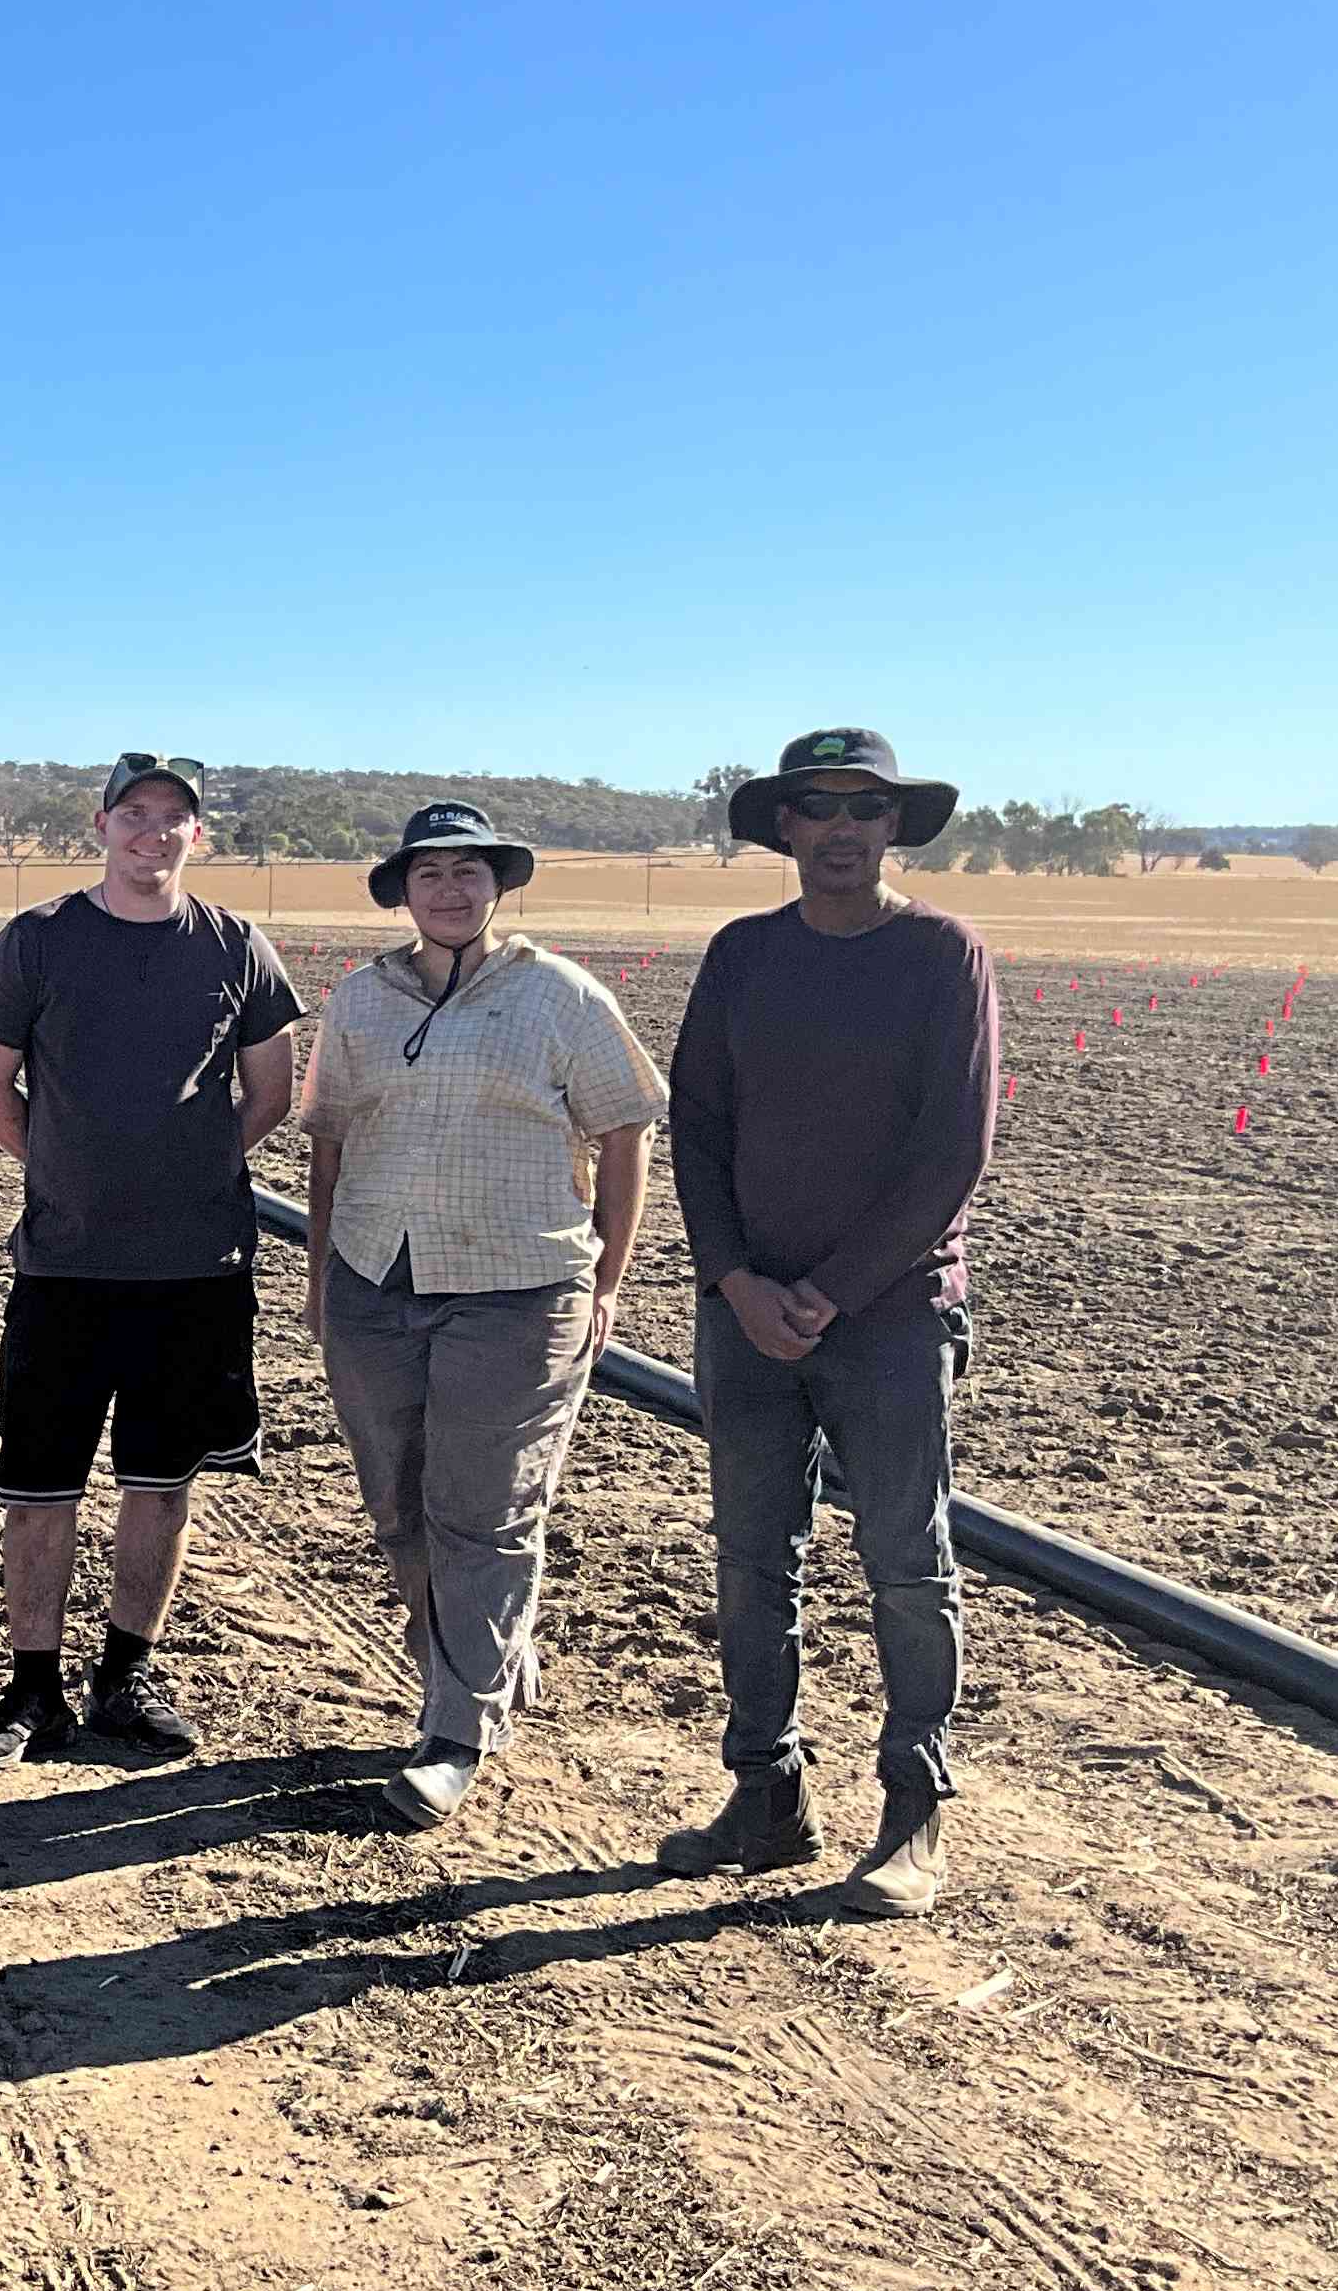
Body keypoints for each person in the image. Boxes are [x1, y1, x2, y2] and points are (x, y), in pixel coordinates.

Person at [659, 727, 1001, 1919]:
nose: (843, 828)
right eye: (820, 807)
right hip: (748, 1315)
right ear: (786, 828)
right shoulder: (743, 954)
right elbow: (697, 1124)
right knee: (754, 1559)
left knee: (906, 1560)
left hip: (892, 1316)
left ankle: (914, 1808)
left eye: (866, 807)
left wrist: (835, 1290)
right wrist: (734, 1279)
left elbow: (952, 1150)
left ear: (894, 827)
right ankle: (766, 1794)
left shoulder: (941, 954)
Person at [299, 803, 663, 1830]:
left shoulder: (560, 995)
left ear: (499, 886)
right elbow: (329, 1141)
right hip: (376, 1280)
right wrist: (323, 1275)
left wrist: (607, 1280)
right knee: (398, 1501)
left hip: (518, 1288)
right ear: (403, 893)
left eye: (470, 872)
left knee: (484, 1509)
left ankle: (455, 1730)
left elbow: (627, 1129)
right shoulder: (361, 1000)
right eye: (430, 874)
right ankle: (472, 1662)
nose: (450, 890)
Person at [0, 753, 302, 1766]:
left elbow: (272, 1092)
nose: (154, 831)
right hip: (64, 1268)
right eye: (135, 812)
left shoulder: (237, 946)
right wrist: (61, 1166)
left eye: (173, 817)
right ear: (100, 825)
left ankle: (123, 1679)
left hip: (194, 1273)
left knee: (160, 1483)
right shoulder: (40, 939)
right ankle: (32, 1691)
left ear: (198, 834)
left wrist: (191, 1172)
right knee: (40, 1486)